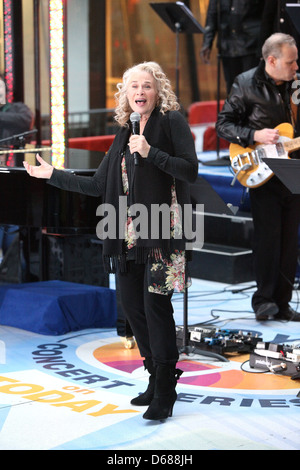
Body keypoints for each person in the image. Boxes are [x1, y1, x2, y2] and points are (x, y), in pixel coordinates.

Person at [24, 61, 199, 420]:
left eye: (147, 86)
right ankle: (153, 377)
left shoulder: (171, 122)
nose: (140, 92)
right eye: (133, 86)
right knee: (133, 308)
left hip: (164, 229)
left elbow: (190, 169)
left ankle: (167, 388)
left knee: (155, 307)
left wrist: (152, 153)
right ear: (125, 94)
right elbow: (97, 185)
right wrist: (52, 175)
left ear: (158, 90)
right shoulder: (124, 132)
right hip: (128, 232)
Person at [216, 33, 300, 322]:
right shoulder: (245, 83)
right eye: (291, 62)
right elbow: (223, 124)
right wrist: (254, 135)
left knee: (290, 240)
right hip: (262, 171)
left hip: (294, 168)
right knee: (267, 238)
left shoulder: (297, 84)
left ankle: (284, 302)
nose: (296, 66)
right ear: (272, 60)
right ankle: (263, 300)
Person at [200, 0, 265, 94]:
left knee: (251, 87)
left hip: (251, 44)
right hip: (227, 45)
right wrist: (207, 42)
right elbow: (212, 14)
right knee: (232, 88)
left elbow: (266, 15)